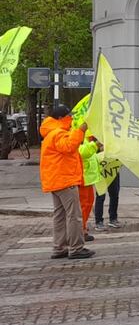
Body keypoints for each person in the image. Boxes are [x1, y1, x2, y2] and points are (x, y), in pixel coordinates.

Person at [39, 105, 94, 259]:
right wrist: (81, 130)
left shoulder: (51, 133)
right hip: (64, 180)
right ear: (62, 118)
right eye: (70, 116)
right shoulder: (58, 133)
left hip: (56, 180)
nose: (72, 119)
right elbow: (69, 147)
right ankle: (76, 248)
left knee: (60, 215)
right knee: (74, 215)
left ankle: (59, 247)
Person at [77, 137, 100, 242]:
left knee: (88, 204)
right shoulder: (77, 135)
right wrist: (95, 145)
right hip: (83, 178)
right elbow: (82, 152)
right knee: (83, 205)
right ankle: (81, 230)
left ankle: (83, 227)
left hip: (88, 178)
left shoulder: (84, 137)